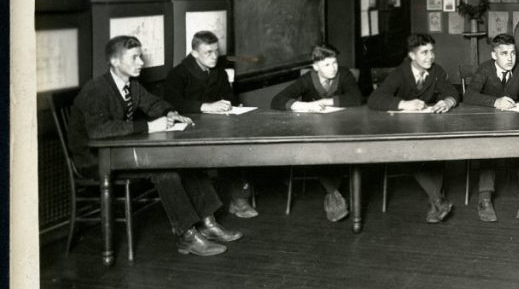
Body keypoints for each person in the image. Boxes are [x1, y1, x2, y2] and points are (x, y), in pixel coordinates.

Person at [68, 36, 241, 257]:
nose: (141, 62)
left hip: (119, 151)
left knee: (186, 160)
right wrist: (149, 126)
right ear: (114, 61)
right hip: (95, 159)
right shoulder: (97, 89)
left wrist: (170, 113)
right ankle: (187, 236)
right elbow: (98, 130)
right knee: (165, 171)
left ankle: (208, 222)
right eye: (134, 57)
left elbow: (155, 103)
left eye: (140, 56)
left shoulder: (132, 85)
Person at [163, 30, 258, 218]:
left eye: (216, 51)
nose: (215, 56)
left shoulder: (219, 72)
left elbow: (229, 95)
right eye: (208, 52)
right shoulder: (178, 73)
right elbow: (171, 103)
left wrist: (228, 104)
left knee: (238, 147)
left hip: (216, 125)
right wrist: (206, 106)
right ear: (195, 53)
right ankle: (208, 214)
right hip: (188, 129)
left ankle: (239, 200)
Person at [367, 33, 459, 223]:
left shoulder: (436, 71)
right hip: (402, 130)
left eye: (432, 52)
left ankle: (436, 202)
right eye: (424, 52)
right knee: (411, 153)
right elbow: (375, 99)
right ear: (411, 55)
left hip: (426, 126)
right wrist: (404, 104)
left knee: (439, 150)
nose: (430, 57)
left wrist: (447, 102)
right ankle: (437, 199)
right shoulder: (400, 73)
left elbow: (452, 91)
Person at [463, 33, 519, 221]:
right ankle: (484, 197)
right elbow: (469, 95)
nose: (510, 58)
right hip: (488, 125)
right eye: (504, 54)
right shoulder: (485, 70)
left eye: (512, 53)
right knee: (489, 150)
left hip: (511, 124)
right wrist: (495, 101)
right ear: (494, 55)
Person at [271, 43, 362, 222]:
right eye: (327, 65)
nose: (333, 68)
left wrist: (326, 101)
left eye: (334, 63)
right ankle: (334, 194)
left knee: (339, 151)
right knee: (315, 150)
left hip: (340, 128)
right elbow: (277, 100)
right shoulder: (307, 79)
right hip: (313, 130)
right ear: (315, 67)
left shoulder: (344, 74)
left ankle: (332, 194)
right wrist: (302, 105)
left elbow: (356, 98)